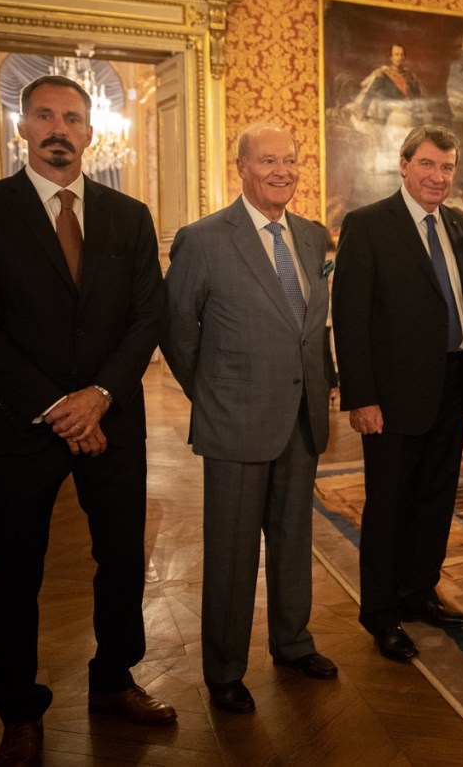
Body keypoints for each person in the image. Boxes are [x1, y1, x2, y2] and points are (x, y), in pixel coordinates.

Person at [0, 75, 173, 767]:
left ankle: (114, 681)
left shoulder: (129, 215)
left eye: (74, 119)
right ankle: (18, 714)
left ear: (91, 133)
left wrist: (100, 397)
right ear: (22, 128)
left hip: (112, 420)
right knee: (15, 572)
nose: (60, 129)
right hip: (16, 426)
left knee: (121, 558)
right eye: (45, 117)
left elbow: (148, 313)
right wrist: (62, 406)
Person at [162, 123, 338, 714]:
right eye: (269, 161)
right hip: (235, 421)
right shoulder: (204, 239)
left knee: (293, 543)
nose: (282, 171)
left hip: (301, 418)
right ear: (241, 166)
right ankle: (225, 670)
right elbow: (179, 334)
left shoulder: (312, 238)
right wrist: (216, 395)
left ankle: (292, 643)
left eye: (290, 160)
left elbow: (311, 329)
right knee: (233, 552)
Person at [332, 124, 463, 662]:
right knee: (389, 505)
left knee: (436, 500)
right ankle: (381, 614)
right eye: (427, 165)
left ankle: (420, 593)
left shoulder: (460, 226)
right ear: (403, 164)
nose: (438, 177)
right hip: (392, 396)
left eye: (447, 167)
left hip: (450, 383)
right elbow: (349, 318)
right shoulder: (369, 225)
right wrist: (360, 396)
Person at [357, 43, 424, 118]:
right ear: (391, 58)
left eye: (401, 55)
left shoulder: (410, 76)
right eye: (396, 54)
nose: (399, 58)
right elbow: (370, 93)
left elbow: (418, 96)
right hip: (392, 117)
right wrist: (362, 111)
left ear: (404, 57)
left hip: (411, 114)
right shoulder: (384, 75)